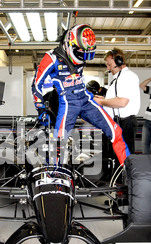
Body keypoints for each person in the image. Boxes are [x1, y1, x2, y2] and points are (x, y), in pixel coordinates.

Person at [31, 24, 130, 166]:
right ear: (69, 45)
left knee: (116, 131)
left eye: (87, 54)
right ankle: (55, 183)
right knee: (58, 146)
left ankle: (129, 170)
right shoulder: (51, 57)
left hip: (86, 99)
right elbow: (36, 85)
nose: (84, 58)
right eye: (82, 54)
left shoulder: (80, 53)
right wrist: (40, 108)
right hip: (68, 103)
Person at [94, 48, 140, 155]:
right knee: (115, 156)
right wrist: (104, 100)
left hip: (126, 122)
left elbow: (122, 102)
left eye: (110, 65)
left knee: (125, 157)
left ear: (119, 61)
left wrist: (101, 102)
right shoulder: (118, 78)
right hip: (118, 122)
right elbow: (117, 99)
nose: (108, 68)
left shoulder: (128, 76)